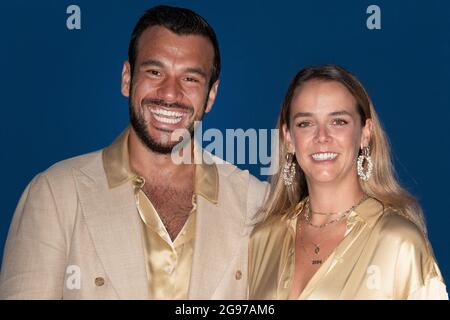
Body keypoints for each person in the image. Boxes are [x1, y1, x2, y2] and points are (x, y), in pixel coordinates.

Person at [0, 5, 268, 299]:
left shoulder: (255, 204)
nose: (169, 93)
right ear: (127, 78)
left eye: (190, 78)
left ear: (211, 94)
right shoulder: (54, 195)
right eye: (155, 72)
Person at [248, 64, 448, 300]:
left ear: (365, 132)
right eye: (305, 123)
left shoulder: (400, 242)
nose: (322, 137)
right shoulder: (263, 239)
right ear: (289, 138)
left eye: (338, 121)